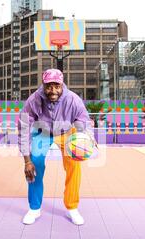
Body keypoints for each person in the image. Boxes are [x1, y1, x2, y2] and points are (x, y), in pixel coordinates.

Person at [17, 69, 95, 226]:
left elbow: (84, 122)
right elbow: (24, 128)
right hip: (42, 131)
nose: (52, 90)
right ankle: (34, 208)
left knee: (74, 165)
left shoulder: (73, 100)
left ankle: (72, 207)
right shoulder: (34, 100)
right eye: (49, 86)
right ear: (43, 85)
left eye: (56, 86)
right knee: (35, 164)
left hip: (66, 131)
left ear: (62, 85)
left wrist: (87, 139)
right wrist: (27, 160)